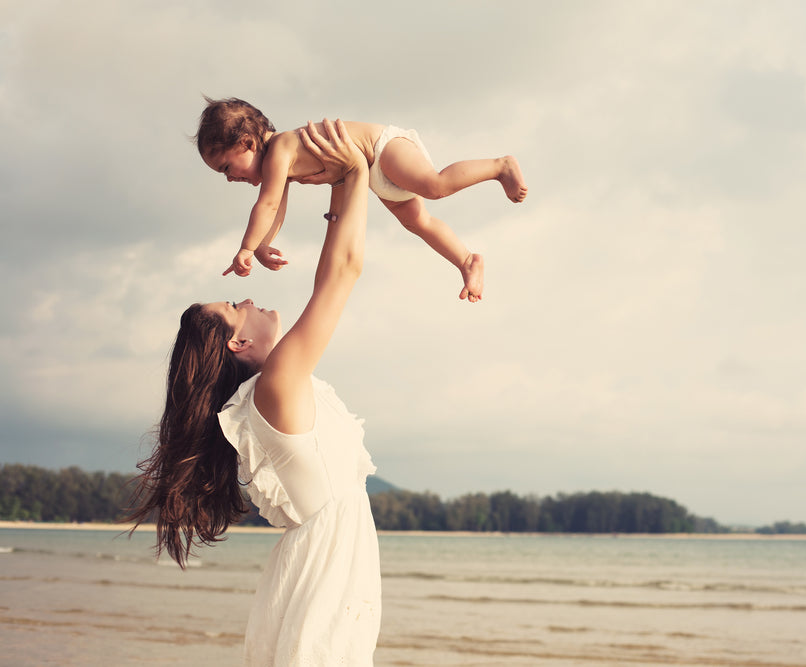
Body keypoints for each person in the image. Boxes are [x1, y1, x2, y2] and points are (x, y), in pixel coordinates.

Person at [130, 119, 381, 665]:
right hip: (325, 584)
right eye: (235, 305)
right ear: (238, 341)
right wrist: (355, 173)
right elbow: (342, 272)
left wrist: (341, 182)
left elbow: (339, 267)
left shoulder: (268, 395)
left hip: (322, 578)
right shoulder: (276, 387)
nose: (247, 297)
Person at [197, 96, 529, 303]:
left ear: (247, 143)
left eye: (227, 166)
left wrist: (247, 247)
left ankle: (499, 166)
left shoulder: (281, 146)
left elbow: (267, 205)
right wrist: (264, 243)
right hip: (371, 174)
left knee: (435, 185)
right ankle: (466, 260)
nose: (229, 177)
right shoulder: (277, 167)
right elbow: (277, 206)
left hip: (383, 148)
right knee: (418, 221)